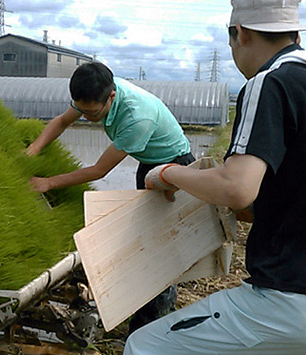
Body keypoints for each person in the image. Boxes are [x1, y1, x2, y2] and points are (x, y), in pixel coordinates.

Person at [119, 0, 306, 355]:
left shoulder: (268, 84)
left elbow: (235, 187)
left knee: (146, 354)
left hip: (292, 301)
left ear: (239, 33)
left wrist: (167, 174)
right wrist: (275, 207)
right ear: (296, 33)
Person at [26, 62, 194, 334]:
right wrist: (32, 150)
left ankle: (152, 329)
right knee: (143, 239)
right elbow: (61, 121)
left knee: (161, 247)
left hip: (175, 168)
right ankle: (137, 313)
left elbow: (100, 170)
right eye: (82, 109)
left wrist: (48, 182)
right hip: (149, 164)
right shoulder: (92, 96)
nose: (89, 117)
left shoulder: (137, 118)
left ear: (111, 97)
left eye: (93, 113)